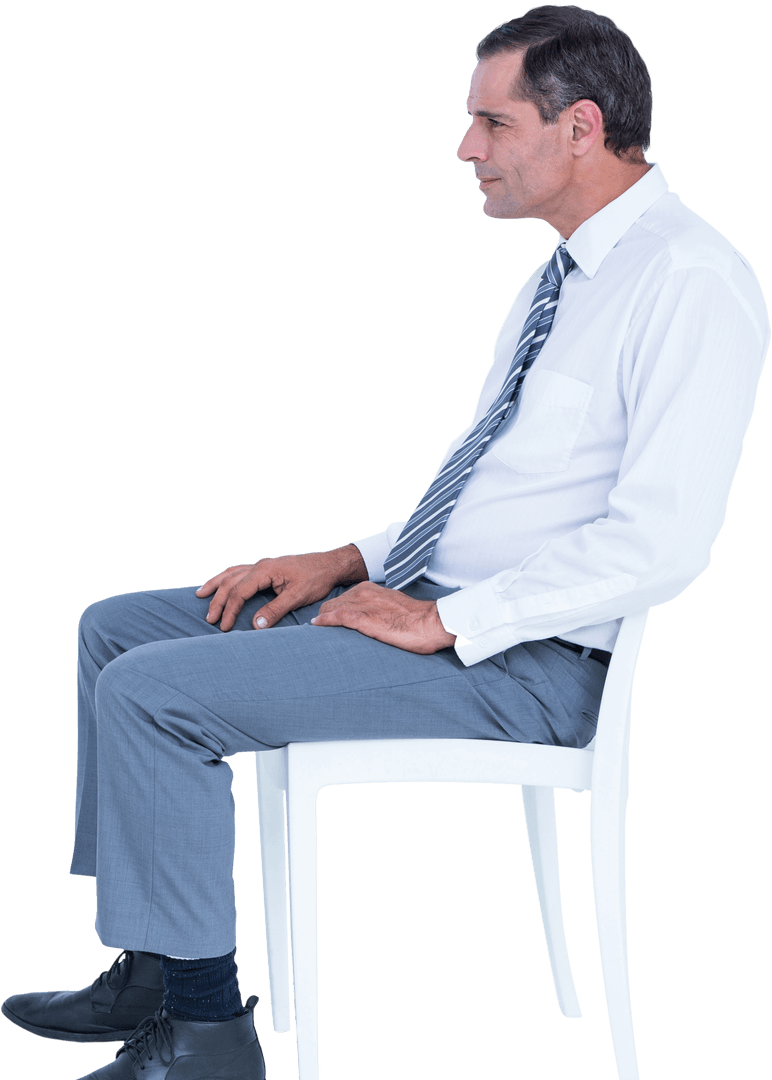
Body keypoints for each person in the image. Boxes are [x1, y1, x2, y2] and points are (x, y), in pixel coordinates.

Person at [2, 6, 768, 1079]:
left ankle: (210, 1035)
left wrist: (446, 619)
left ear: (581, 127)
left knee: (153, 693)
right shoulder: (558, 283)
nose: (467, 150)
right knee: (115, 632)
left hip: (525, 663)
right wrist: (352, 562)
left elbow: (665, 543)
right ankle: (154, 961)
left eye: (491, 124)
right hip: (444, 614)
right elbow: (493, 495)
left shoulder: (691, 283)